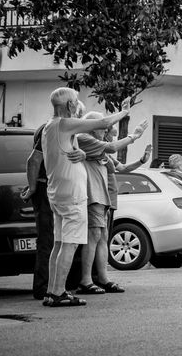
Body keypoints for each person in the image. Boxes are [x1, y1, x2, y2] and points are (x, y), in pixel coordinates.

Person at [41, 87, 132, 307]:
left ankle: (51, 291)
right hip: (71, 195)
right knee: (70, 244)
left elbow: (70, 152)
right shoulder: (63, 123)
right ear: (70, 105)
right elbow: (100, 123)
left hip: (58, 193)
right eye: (76, 103)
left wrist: (81, 154)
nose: (78, 107)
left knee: (59, 243)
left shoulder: (50, 128)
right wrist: (123, 112)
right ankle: (58, 293)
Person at [76, 112, 148, 295]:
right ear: (92, 126)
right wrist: (135, 135)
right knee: (94, 236)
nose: (106, 129)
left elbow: (121, 167)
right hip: (92, 196)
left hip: (102, 198)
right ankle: (85, 280)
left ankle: (103, 279)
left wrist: (141, 161)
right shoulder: (84, 138)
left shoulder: (97, 145)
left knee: (102, 237)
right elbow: (112, 146)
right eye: (103, 126)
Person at [24, 122, 86, 300]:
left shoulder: (51, 129)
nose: (77, 119)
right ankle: (47, 288)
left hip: (50, 188)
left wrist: (82, 153)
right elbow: (33, 160)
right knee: (51, 241)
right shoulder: (53, 130)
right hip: (49, 189)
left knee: (54, 241)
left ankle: (53, 288)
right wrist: (33, 187)